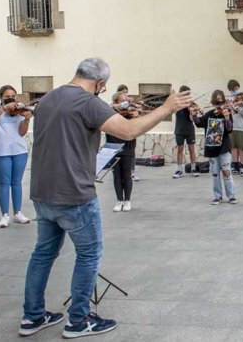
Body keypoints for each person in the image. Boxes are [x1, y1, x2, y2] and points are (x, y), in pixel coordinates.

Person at [19, 58, 191, 338]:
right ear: (99, 84)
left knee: (42, 254)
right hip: (74, 194)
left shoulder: (48, 98)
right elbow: (129, 131)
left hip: (42, 191)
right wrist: (165, 108)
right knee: (89, 255)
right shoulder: (89, 101)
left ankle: (32, 316)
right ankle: (79, 319)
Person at [0, 85, 32, 228]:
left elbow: (22, 133)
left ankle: (17, 213)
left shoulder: (19, 111)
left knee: (16, 182)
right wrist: (3, 109)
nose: (11, 98)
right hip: (2, 151)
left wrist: (26, 120)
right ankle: (5, 214)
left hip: (19, 150)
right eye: (7, 96)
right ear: (1, 97)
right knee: (4, 183)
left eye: (13, 95)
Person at [193, 90, 237, 204]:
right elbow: (199, 123)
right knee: (215, 173)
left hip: (224, 147)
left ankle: (231, 195)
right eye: (217, 101)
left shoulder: (227, 112)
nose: (220, 103)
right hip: (212, 148)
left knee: (226, 170)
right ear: (213, 102)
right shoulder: (209, 114)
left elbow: (230, 129)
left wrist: (227, 118)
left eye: (221, 100)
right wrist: (193, 113)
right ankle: (217, 196)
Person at [107, 91, 137, 212]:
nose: (126, 103)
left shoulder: (130, 112)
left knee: (127, 175)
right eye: (122, 101)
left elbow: (136, 116)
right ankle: (119, 200)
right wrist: (115, 107)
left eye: (127, 100)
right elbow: (107, 108)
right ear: (115, 102)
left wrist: (132, 108)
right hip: (113, 146)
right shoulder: (110, 111)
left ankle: (127, 200)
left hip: (127, 147)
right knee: (116, 175)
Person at [172, 85, 199, 179]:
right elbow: (172, 110)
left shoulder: (192, 104)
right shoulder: (177, 104)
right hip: (179, 130)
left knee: (192, 149)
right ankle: (179, 170)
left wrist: (192, 111)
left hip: (189, 130)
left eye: (189, 94)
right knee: (180, 150)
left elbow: (192, 119)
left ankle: (193, 168)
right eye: (187, 94)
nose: (188, 96)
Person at [227, 79, 243, 176]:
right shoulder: (229, 99)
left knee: (242, 147)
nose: (235, 90)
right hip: (232, 127)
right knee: (233, 147)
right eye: (233, 89)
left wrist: (240, 107)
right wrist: (229, 106)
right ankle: (235, 166)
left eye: (236, 88)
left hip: (242, 127)